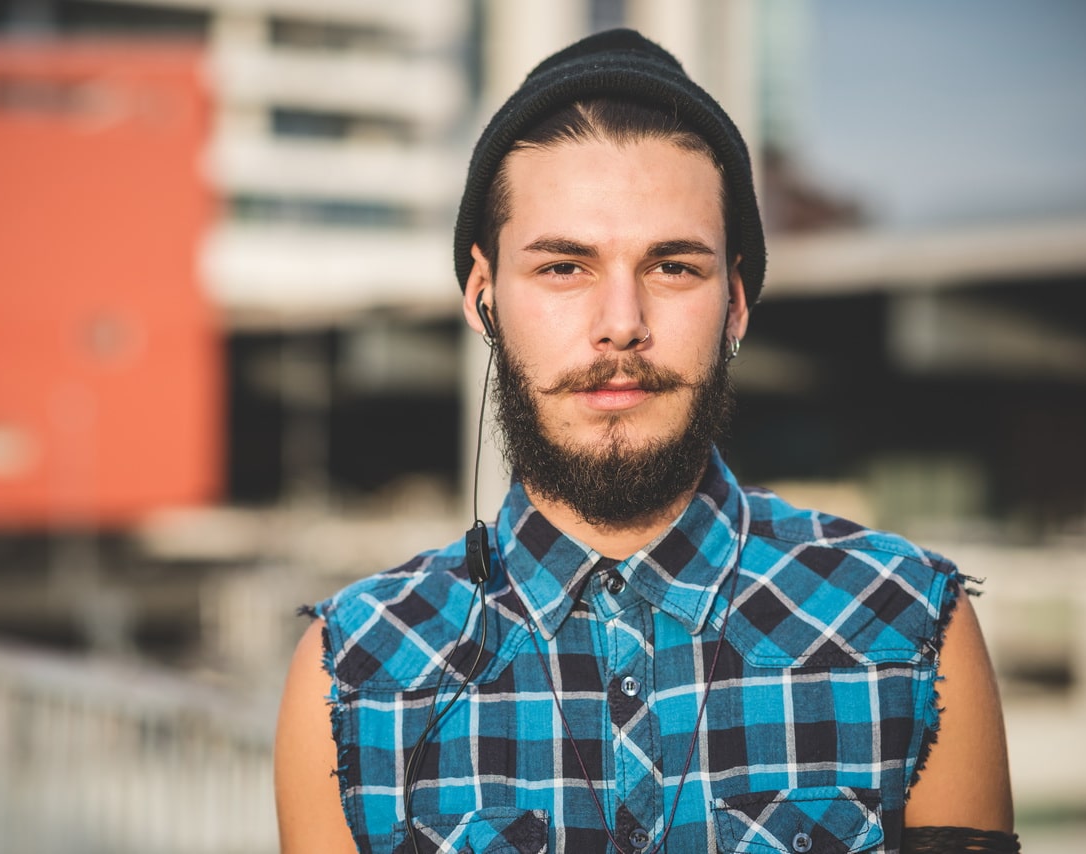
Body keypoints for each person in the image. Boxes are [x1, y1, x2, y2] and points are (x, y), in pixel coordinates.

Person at [275, 29, 1015, 854]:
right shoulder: (355, 672)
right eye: (564, 268)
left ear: (734, 304)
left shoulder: (906, 625)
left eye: (672, 268)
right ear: (485, 299)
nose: (621, 324)